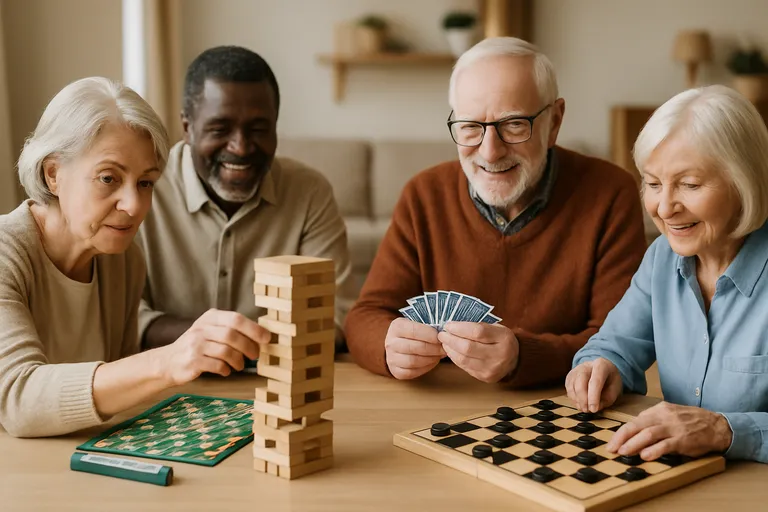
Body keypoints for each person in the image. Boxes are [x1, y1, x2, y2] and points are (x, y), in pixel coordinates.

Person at [344, 37, 647, 386]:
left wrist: (524, 356)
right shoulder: (423, 194)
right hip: (438, 410)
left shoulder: (610, 193)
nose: (490, 152)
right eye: (471, 127)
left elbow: (618, 345)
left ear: (555, 121)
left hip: (557, 413)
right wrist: (387, 344)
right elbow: (364, 317)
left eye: (514, 124)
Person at [0, 77, 271, 438]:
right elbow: (18, 400)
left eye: (145, 183)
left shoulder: (123, 261)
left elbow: (116, 400)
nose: (133, 207)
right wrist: (169, 360)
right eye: (109, 178)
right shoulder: (6, 253)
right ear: (53, 174)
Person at [568, 85, 768, 464]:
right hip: (676, 480)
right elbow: (614, 345)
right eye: (653, 183)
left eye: (690, 185)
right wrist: (599, 368)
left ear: (745, 182)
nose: (663, 207)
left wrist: (722, 430)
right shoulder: (662, 256)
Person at [135, 46, 354, 354]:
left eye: (259, 129)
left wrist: (241, 343)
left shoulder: (309, 192)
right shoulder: (143, 188)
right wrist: (205, 338)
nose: (240, 147)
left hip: (274, 379)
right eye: (220, 129)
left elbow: (334, 312)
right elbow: (120, 316)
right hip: (163, 376)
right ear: (187, 128)